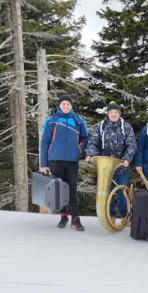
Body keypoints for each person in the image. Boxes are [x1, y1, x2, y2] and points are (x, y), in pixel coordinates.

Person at [40, 94, 88, 231]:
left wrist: (78, 150)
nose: (66, 106)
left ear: (71, 105)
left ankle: (76, 218)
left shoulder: (79, 120)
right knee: (59, 188)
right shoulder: (51, 121)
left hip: (72, 160)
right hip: (55, 159)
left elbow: (85, 139)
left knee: (72, 187)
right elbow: (44, 143)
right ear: (59, 105)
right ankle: (63, 216)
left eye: (68, 104)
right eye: (63, 104)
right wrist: (44, 164)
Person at [85, 101, 137, 226]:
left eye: (116, 112)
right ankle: (110, 215)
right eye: (111, 112)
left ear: (119, 114)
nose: (114, 115)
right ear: (108, 114)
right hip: (105, 167)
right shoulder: (100, 126)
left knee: (122, 192)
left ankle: (125, 216)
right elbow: (93, 142)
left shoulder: (126, 127)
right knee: (107, 193)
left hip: (121, 167)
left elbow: (132, 145)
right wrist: (91, 154)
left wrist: (127, 159)